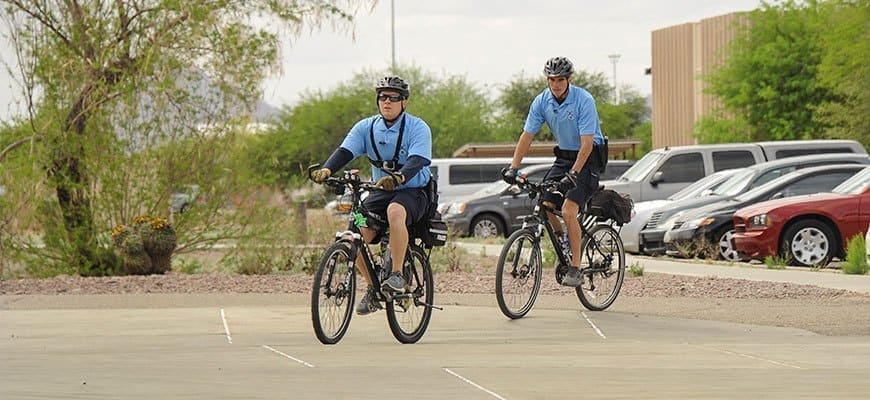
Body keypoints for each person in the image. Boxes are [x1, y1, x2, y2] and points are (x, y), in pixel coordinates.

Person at [310, 76, 433, 315]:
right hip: (380, 190)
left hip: (414, 191)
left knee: (395, 211)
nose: (387, 101)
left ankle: (397, 274)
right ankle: (373, 287)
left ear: (404, 102)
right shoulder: (366, 127)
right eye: (382, 97)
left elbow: (418, 160)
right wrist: (327, 169)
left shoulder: (418, 127)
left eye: (393, 97)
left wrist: (399, 178)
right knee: (352, 236)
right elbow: (345, 151)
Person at [502, 56, 605, 287]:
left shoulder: (584, 100)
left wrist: (575, 174)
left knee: (569, 211)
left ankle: (576, 267)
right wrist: (513, 167)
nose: (556, 84)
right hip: (564, 157)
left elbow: (587, 144)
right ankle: (563, 241)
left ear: (569, 79)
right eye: (552, 79)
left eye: (560, 79)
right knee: (544, 205)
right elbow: (527, 136)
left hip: (588, 159)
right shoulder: (542, 101)